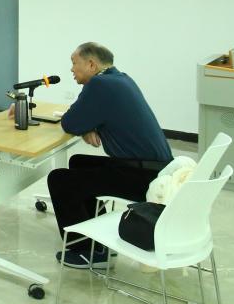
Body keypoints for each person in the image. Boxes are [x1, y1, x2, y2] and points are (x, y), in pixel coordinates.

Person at [45, 43, 173, 269]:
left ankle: (86, 252)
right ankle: (96, 240)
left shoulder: (99, 84)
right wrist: (88, 126)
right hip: (156, 169)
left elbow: (70, 122)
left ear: (91, 64)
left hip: (142, 176)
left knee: (59, 180)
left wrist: (85, 126)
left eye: (74, 63)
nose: (72, 69)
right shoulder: (120, 79)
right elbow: (87, 118)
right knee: (78, 162)